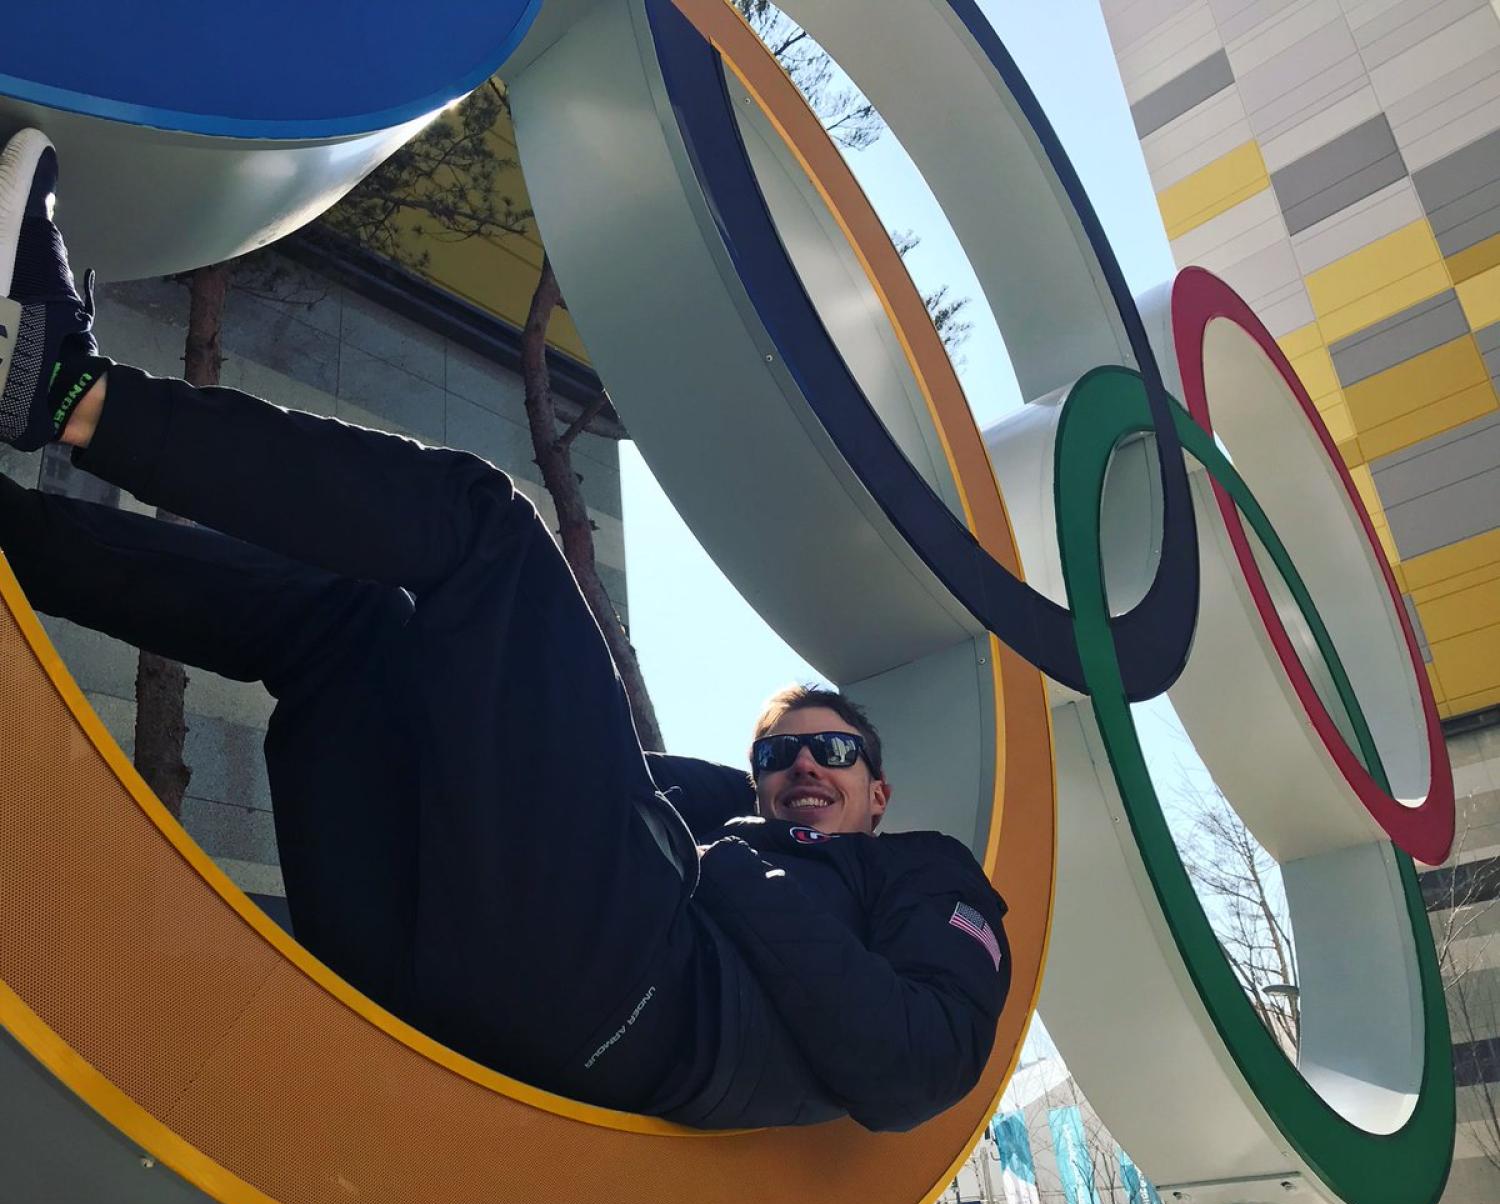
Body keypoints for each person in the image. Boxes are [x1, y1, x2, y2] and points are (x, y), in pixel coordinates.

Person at [0, 128, 1009, 1132]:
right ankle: (15, 535)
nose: (801, 764)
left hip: (626, 1008)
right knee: (347, 625)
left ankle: (68, 389)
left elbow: (915, 1064)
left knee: (488, 531)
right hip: (419, 961)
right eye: (778, 750)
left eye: (832, 749)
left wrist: (742, 867)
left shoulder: (919, 875)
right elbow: (539, 753)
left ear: (878, 792)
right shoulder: (709, 801)